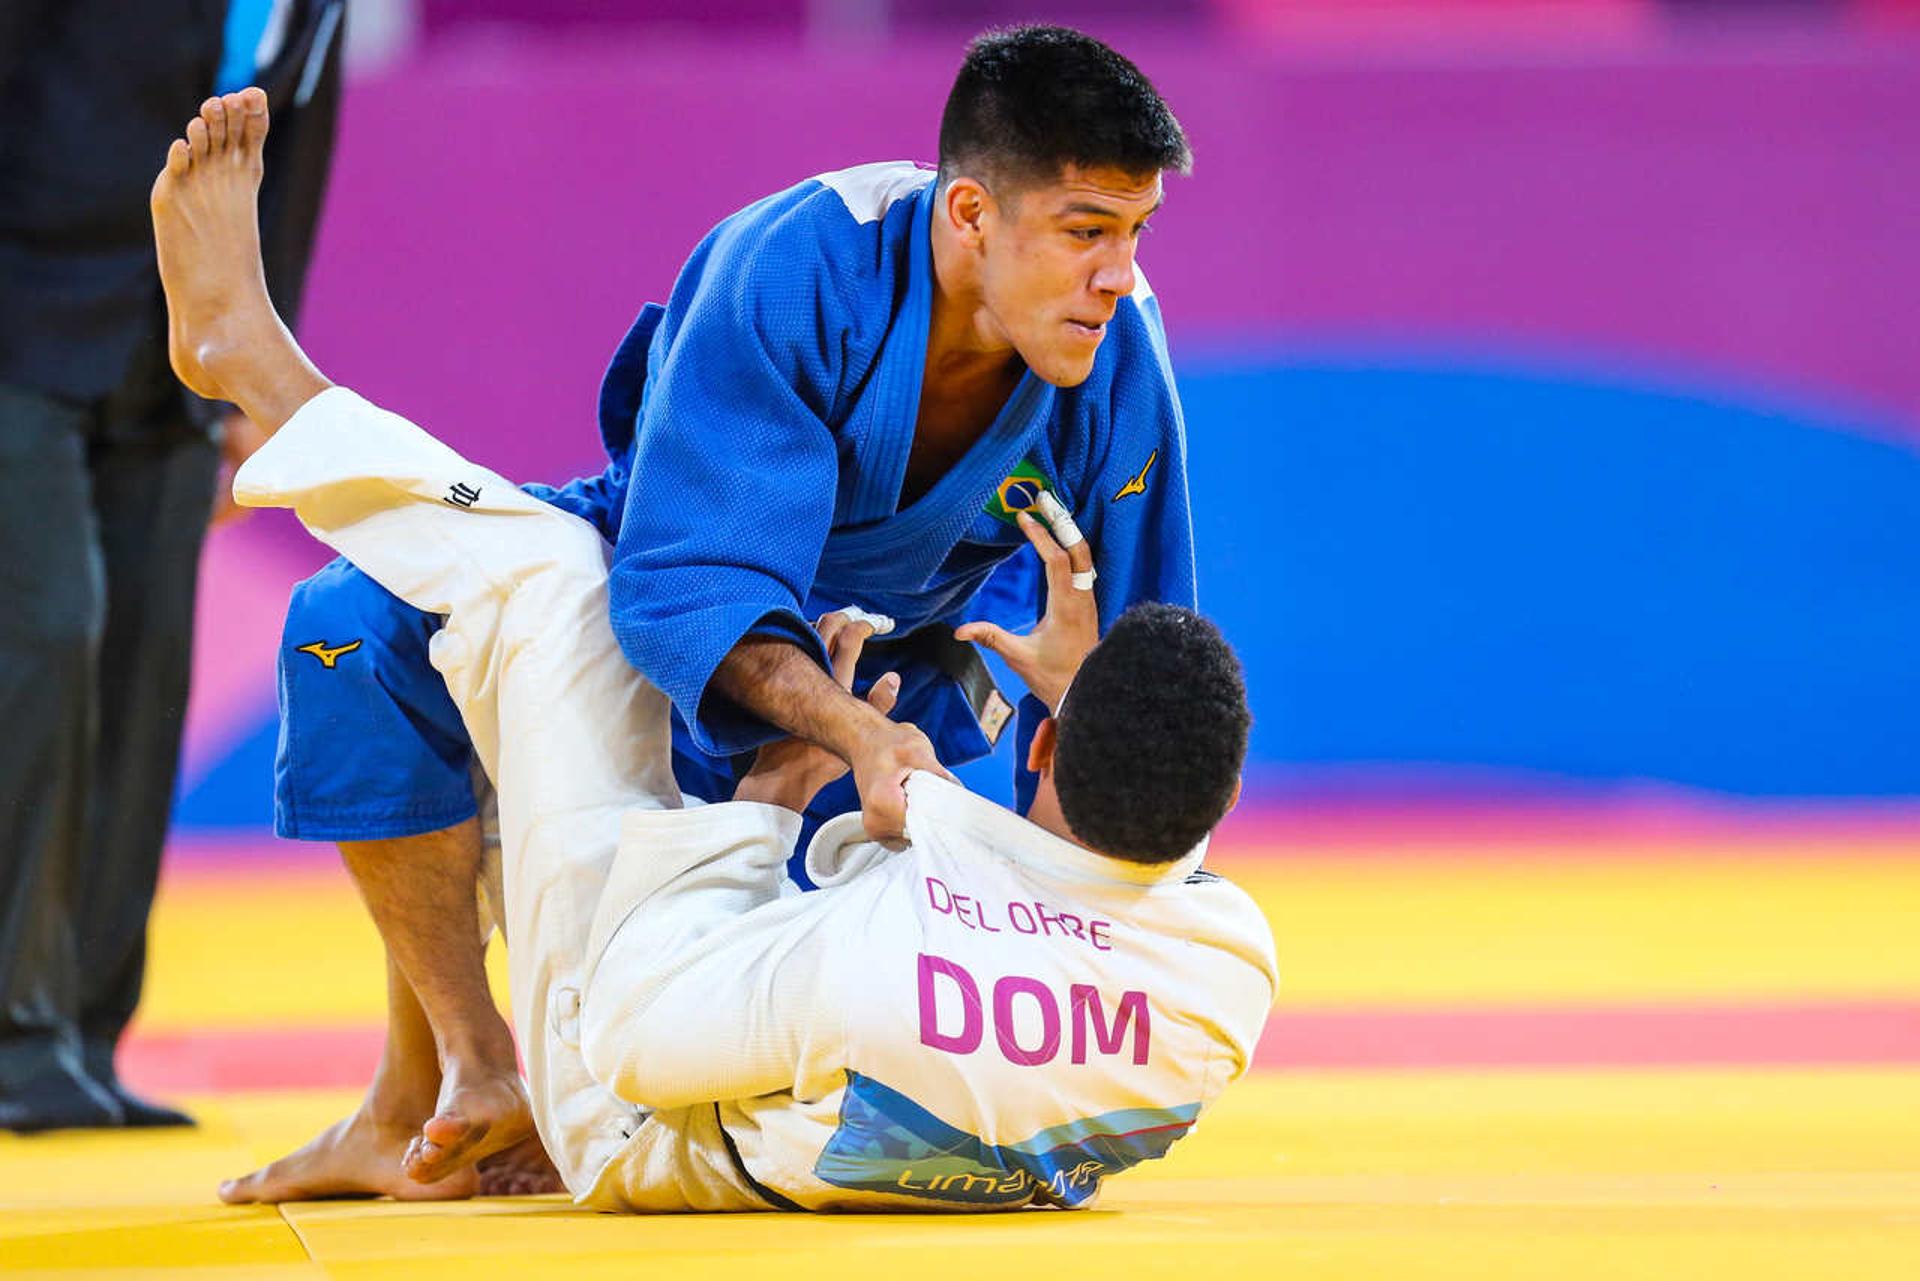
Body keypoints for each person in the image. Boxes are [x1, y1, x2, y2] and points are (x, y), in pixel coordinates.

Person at [144, 93, 1277, 1207]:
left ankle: (259, 371)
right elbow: (692, 580)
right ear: (972, 213)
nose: (1120, 275)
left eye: (1131, 235)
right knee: (365, 624)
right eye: (1091, 230)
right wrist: (871, 731)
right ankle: (453, 1074)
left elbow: (1133, 681)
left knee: (519, 598)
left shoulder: (1113, 348)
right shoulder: (804, 265)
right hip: (695, 588)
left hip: (893, 682)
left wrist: (861, 760)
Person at [0, 0, 343, 1132]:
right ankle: (14, 1035)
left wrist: (260, 360)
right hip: (18, 326)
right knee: (47, 638)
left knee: (144, 672)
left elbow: (289, 147)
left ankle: (85, 1033)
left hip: (171, 355)